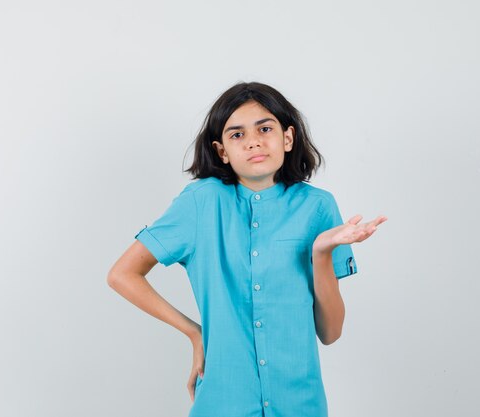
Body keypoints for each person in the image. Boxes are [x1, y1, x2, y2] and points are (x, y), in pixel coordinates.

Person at [107, 81, 387, 417]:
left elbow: (330, 332)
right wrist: (194, 332)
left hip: (300, 405)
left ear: (287, 137)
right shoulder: (200, 203)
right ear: (222, 150)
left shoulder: (318, 208)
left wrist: (321, 253)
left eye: (264, 128)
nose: (253, 140)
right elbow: (123, 274)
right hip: (223, 403)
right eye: (236, 134)